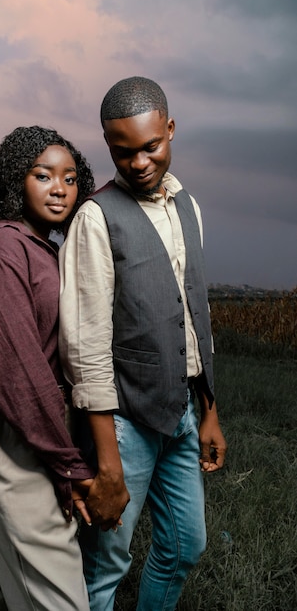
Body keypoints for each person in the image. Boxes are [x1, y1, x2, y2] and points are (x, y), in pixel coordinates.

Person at [59, 77, 227, 611]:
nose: (138, 162)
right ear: (108, 146)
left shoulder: (190, 208)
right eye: (122, 151)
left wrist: (209, 412)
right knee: (105, 564)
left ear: (170, 129)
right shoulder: (95, 216)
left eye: (150, 146)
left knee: (185, 546)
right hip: (125, 423)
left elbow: (195, 319)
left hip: (180, 414)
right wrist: (107, 461)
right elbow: (85, 349)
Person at [0, 125, 96, 611]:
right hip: (10, 422)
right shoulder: (1, 251)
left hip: (31, 419)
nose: (60, 188)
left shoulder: (40, 249)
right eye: (43, 175)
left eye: (71, 178)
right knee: (58, 592)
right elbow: (16, 370)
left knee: (2, 570)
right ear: (16, 181)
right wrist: (68, 463)